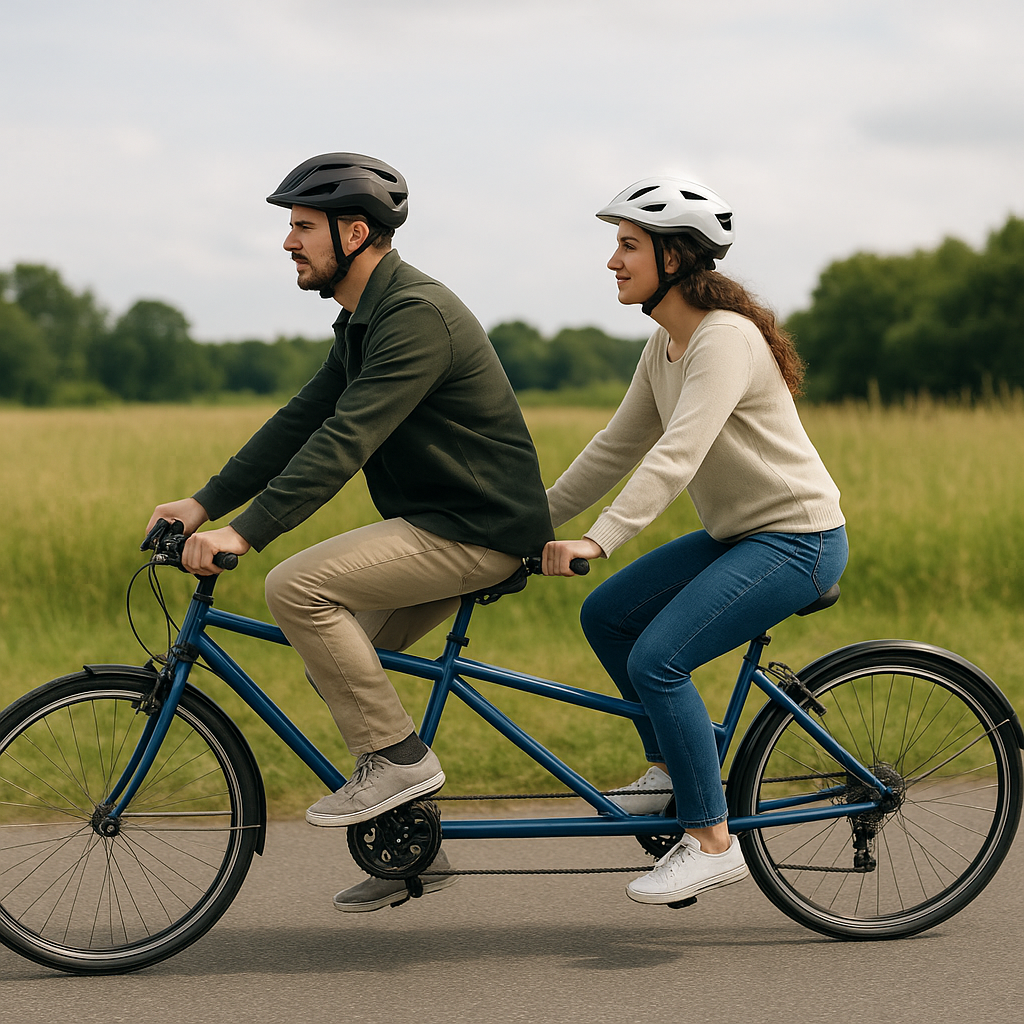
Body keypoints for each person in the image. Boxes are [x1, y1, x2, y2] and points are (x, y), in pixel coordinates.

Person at [146, 152, 553, 910]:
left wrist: (249, 534)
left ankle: (399, 762)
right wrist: (204, 504)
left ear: (354, 231)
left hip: (477, 530)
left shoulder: (414, 317)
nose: (288, 242)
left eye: (301, 226)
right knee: (335, 658)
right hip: (440, 523)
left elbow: (346, 438)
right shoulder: (365, 319)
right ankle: (413, 848)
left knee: (295, 588)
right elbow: (299, 422)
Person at [541, 177, 848, 906]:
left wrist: (601, 539)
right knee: (608, 616)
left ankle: (711, 839)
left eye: (628, 246)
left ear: (674, 258)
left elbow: (676, 454)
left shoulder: (724, 340)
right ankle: (680, 767)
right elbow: (616, 446)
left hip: (798, 540)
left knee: (659, 659)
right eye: (615, 245)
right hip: (741, 536)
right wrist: (532, 523)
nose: (612, 261)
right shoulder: (667, 344)